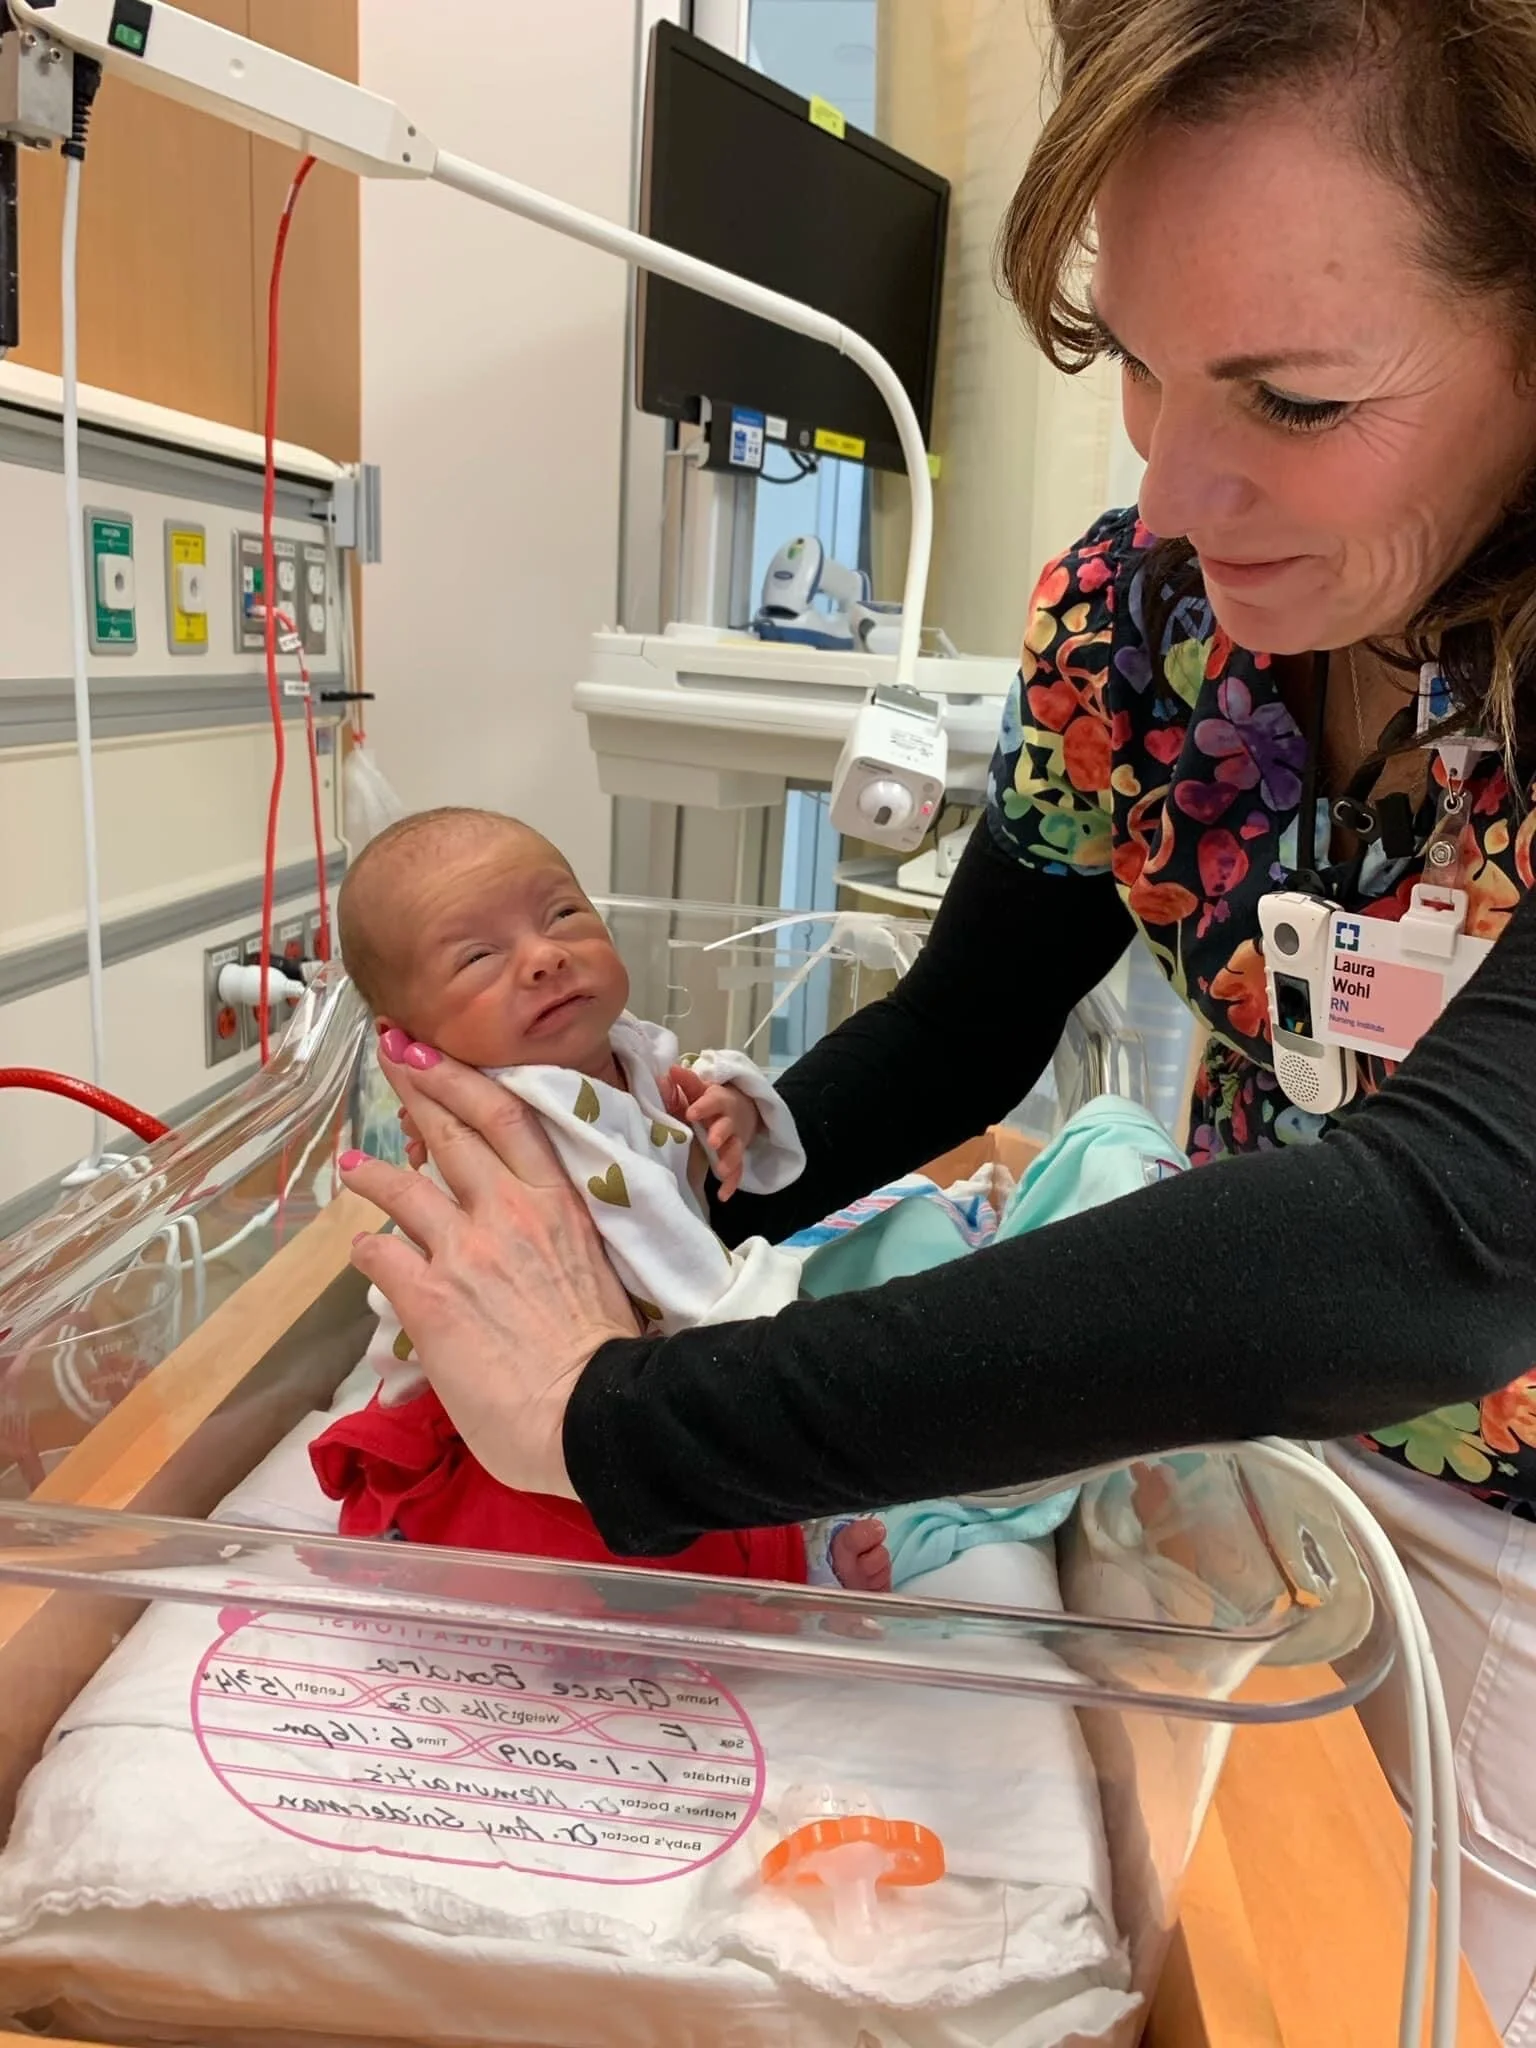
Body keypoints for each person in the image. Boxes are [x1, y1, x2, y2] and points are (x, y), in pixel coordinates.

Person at [338, 1, 1536, 2031]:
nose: (1178, 495)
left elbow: (1450, 1241)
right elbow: (965, 1034)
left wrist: (629, 1424)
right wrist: (652, 1241)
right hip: (1241, 1441)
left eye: (1299, 404)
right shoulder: (1143, 625)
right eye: (1139, 372)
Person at [314, 807, 890, 1593]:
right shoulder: (532, 1109)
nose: (545, 956)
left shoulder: (617, 1049)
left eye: (563, 913)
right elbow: (680, 1271)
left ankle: (787, 1542)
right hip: (483, 1415)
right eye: (479, 956)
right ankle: (795, 1554)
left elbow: (680, 1091)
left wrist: (736, 1107)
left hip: (606, 1367)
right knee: (622, 1526)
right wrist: (784, 1345)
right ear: (407, 1032)